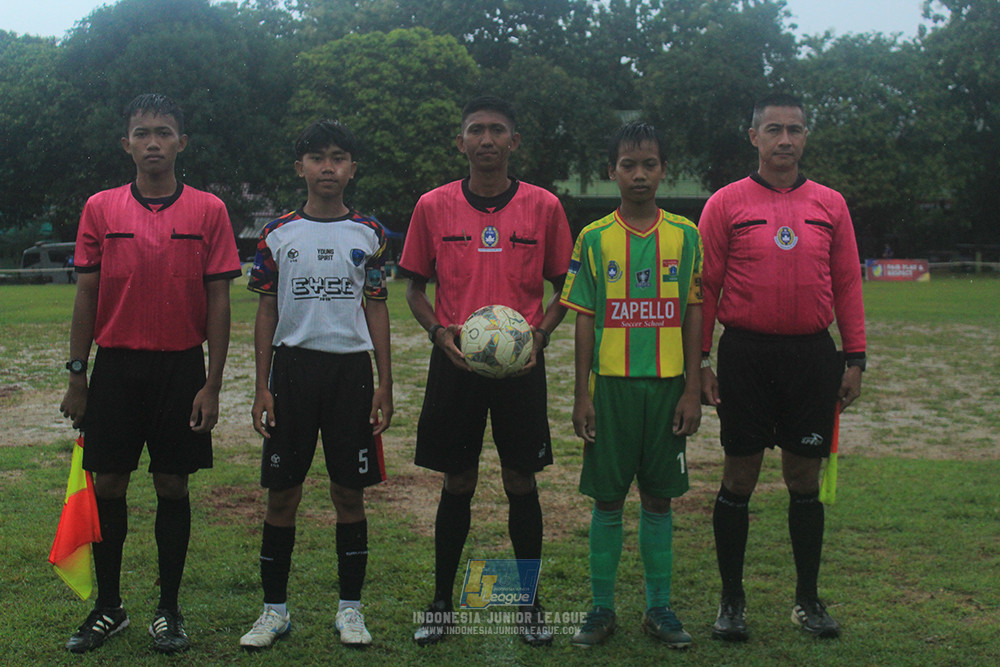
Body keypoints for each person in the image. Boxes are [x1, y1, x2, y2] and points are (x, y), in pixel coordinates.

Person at [59, 93, 242, 654]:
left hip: (181, 367)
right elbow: (86, 294)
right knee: (109, 483)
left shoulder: (209, 210)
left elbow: (219, 300)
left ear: (181, 142)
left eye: (164, 132)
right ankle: (109, 607)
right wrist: (77, 375)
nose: (153, 142)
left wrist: (212, 383)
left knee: (172, 485)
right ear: (126, 144)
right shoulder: (100, 208)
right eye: (142, 133)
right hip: (115, 367)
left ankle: (169, 610)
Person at [398, 96, 572, 646]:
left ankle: (529, 606)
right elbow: (413, 288)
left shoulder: (544, 206)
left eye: (498, 130)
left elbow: (566, 287)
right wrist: (438, 333)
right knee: (458, 480)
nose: (487, 139)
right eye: (477, 130)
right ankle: (441, 603)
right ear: (461, 142)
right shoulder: (433, 206)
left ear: (513, 142)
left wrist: (540, 335)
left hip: (522, 368)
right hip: (455, 364)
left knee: (521, 479)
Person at [699, 92, 866, 641]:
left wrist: (855, 358)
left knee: (803, 478)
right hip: (745, 355)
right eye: (774, 129)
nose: (785, 140)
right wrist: (701, 360)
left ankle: (807, 600)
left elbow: (847, 283)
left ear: (805, 136)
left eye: (795, 129)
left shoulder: (830, 204)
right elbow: (706, 287)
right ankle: (731, 601)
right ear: (754, 137)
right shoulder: (725, 203)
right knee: (738, 476)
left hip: (811, 357)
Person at [239, 120, 393, 650]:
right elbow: (266, 310)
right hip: (292, 372)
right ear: (300, 167)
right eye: (317, 158)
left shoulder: (370, 233)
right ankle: (274, 611)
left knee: (349, 492)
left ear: (352, 168)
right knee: (282, 494)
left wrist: (385, 382)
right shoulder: (277, 233)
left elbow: (377, 306)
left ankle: (350, 610)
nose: (328, 167)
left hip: (351, 373)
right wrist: (261, 385)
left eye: (339, 158)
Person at [560, 122, 703, 649]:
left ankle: (658, 608)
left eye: (649, 164)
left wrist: (692, 388)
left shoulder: (686, 235)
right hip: (612, 390)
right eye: (628, 165)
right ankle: (601, 608)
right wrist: (582, 394)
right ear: (611, 172)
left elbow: (693, 311)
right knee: (607, 500)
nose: (639, 174)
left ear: (664, 170)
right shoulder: (594, 238)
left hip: (667, 389)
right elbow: (583, 318)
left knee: (660, 499)